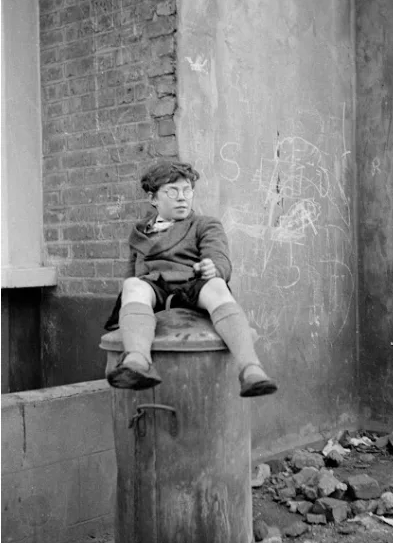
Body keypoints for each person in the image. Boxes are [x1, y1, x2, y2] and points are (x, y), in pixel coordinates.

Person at [103, 162, 277, 396]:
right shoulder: (140, 232)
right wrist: (130, 304)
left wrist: (212, 268)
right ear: (153, 198)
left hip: (194, 283)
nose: (182, 198)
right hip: (156, 288)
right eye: (172, 191)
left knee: (216, 285)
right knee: (131, 285)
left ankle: (250, 369)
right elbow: (133, 273)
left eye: (187, 190)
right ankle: (137, 360)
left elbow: (220, 259)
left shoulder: (204, 225)